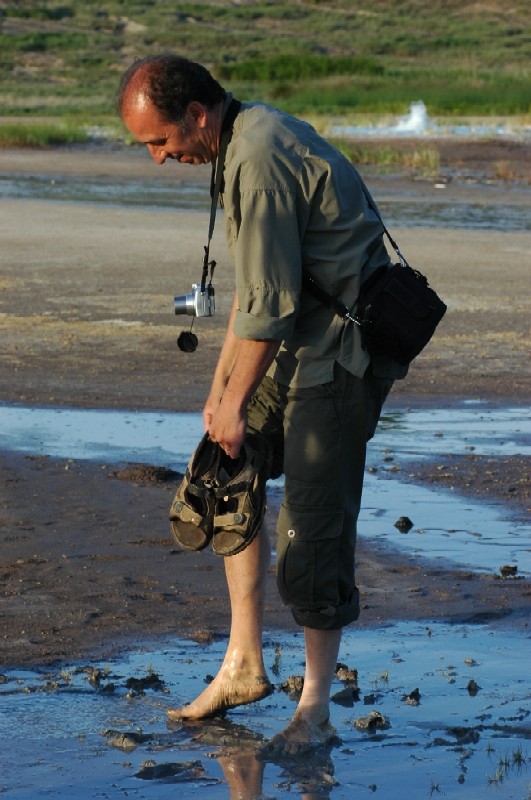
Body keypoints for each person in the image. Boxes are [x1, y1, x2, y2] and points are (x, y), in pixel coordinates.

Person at [116, 54, 405, 756]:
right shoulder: (238, 144)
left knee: (311, 534)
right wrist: (219, 403)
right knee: (222, 469)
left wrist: (236, 399)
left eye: (160, 141)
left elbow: (269, 308)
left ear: (198, 114)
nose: (158, 158)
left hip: (340, 351)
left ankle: (314, 711)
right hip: (295, 338)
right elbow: (254, 298)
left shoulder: (260, 155)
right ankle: (243, 665)